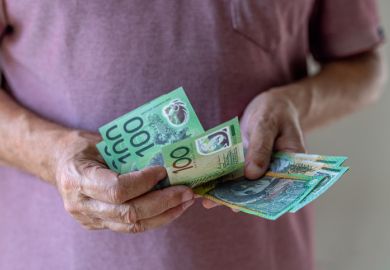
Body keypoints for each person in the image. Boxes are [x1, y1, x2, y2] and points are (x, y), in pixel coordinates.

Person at [0, 1, 386, 269]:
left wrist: (297, 103)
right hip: (53, 256)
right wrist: (52, 155)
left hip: (260, 258)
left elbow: (365, 67)